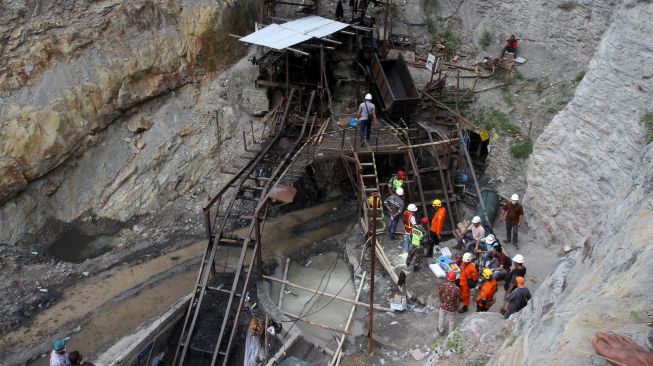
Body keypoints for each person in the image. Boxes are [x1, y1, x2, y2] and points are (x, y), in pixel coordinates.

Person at [437, 272, 461, 336]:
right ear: (455, 279)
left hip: (443, 306)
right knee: (452, 320)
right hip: (452, 308)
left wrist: (441, 301)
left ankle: (440, 331)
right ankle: (450, 335)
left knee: (441, 317)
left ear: (448, 278)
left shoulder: (443, 285)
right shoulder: (457, 289)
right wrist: (457, 307)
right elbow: (458, 300)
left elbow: (439, 293)